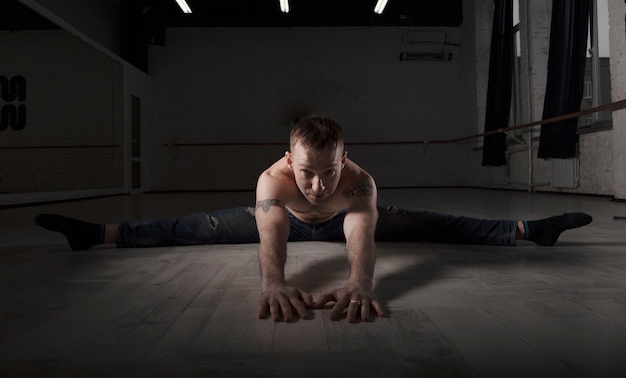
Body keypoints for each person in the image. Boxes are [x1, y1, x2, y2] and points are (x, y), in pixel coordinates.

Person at [35, 115, 593, 323]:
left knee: (431, 221)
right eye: (308, 172)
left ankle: (529, 231)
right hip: (293, 224)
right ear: (288, 159)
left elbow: (359, 231)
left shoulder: (360, 184)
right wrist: (275, 282)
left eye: (328, 171)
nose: (318, 183)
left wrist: (359, 282)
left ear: (344, 160)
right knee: (195, 224)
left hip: (342, 222)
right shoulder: (272, 182)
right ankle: (98, 235)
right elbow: (272, 235)